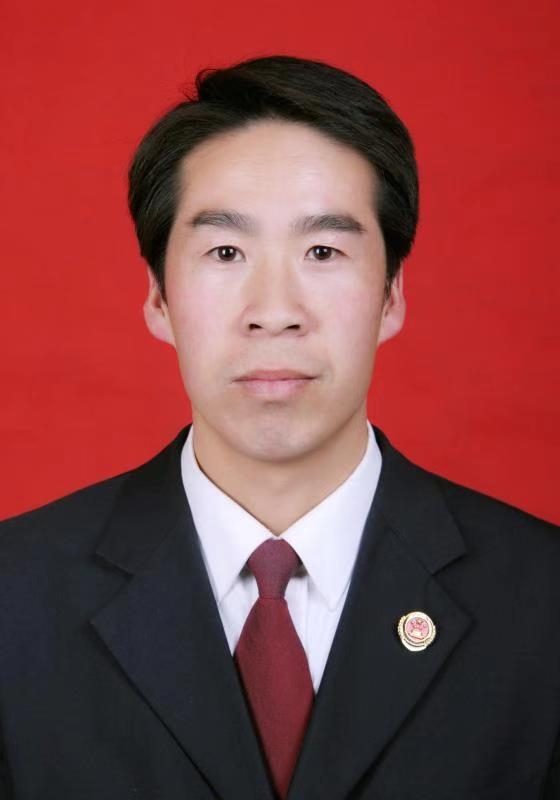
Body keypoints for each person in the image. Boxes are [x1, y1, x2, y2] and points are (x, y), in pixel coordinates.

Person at [0, 54, 558, 800]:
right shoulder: (14, 596)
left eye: (322, 251)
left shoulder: (542, 600)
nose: (274, 311)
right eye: (226, 252)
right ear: (159, 299)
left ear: (391, 295)